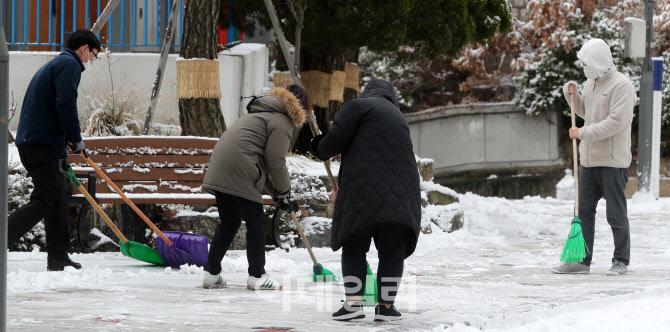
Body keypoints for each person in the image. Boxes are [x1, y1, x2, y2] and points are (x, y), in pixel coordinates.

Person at [310, 79, 421, 321]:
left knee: (354, 245)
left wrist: (317, 146)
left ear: (367, 93)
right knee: (392, 250)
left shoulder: (357, 107)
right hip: (403, 192)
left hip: (363, 189)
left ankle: (353, 305)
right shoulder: (399, 117)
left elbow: (333, 143)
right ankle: (386, 307)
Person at [8, 30, 100, 271]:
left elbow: (51, 110)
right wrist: (75, 139)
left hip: (35, 142)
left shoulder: (57, 64)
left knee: (58, 195)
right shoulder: (69, 64)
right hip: (40, 144)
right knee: (44, 198)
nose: (90, 61)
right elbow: (65, 103)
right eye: (93, 55)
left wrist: (62, 157)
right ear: (83, 48)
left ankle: (58, 256)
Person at [201, 85, 308, 290]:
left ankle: (211, 273)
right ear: (299, 106)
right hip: (241, 168)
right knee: (255, 222)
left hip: (220, 167)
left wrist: (278, 195)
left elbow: (263, 166)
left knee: (230, 222)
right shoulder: (282, 121)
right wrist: (285, 193)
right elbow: (276, 161)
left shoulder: (256, 115)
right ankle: (257, 275)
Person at [552, 38, 636, 276]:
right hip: (588, 162)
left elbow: (616, 123)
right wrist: (574, 95)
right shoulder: (590, 82)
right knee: (582, 211)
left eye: (586, 62)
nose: (583, 68)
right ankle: (580, 261)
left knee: (616, 214)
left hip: (611, 162)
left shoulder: (622, 86)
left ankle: (620, 260)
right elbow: (585, 111)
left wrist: (583, 133)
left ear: (598, 62)